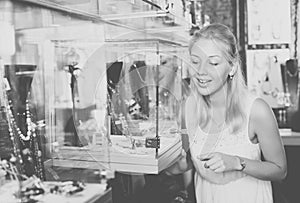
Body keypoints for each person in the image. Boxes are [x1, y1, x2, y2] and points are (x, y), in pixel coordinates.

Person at [166, 23, 287, 203]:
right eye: (195, 62)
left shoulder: (257, 110)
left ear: (232, 67)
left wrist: (237, 162)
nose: (201, 72)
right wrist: (173, 164)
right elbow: (187, 162)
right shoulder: (188, 108)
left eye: (213, 63)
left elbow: (280, 170)